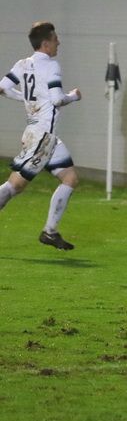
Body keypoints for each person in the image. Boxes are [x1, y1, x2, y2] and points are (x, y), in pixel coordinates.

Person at [0, 21, 82, 250]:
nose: (58, 43)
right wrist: (73, 96)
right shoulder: (51, 66)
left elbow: (2, 88)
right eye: (55, 39)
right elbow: (57, 99)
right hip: (42, 138)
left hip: (43, 136)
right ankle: (49, 231)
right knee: (14, 186)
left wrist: (27, 98)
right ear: (46, 44)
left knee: (70, 178)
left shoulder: (23, 64)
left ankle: (50, 232)